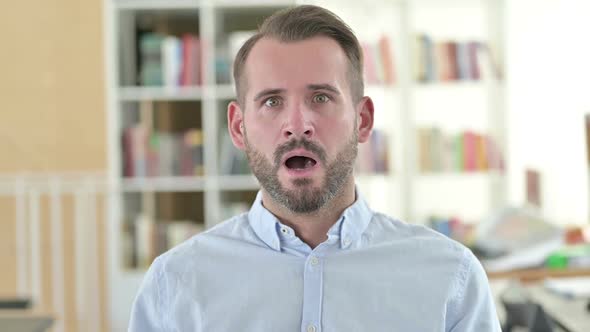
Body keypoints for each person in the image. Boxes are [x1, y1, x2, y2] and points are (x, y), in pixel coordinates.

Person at [129, 5, 501, 331]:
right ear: (238, 128)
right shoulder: (174, 284)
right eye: (272, 101)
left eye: (320, 97)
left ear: (363, 119)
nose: (297, 124)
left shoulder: (451, 278)